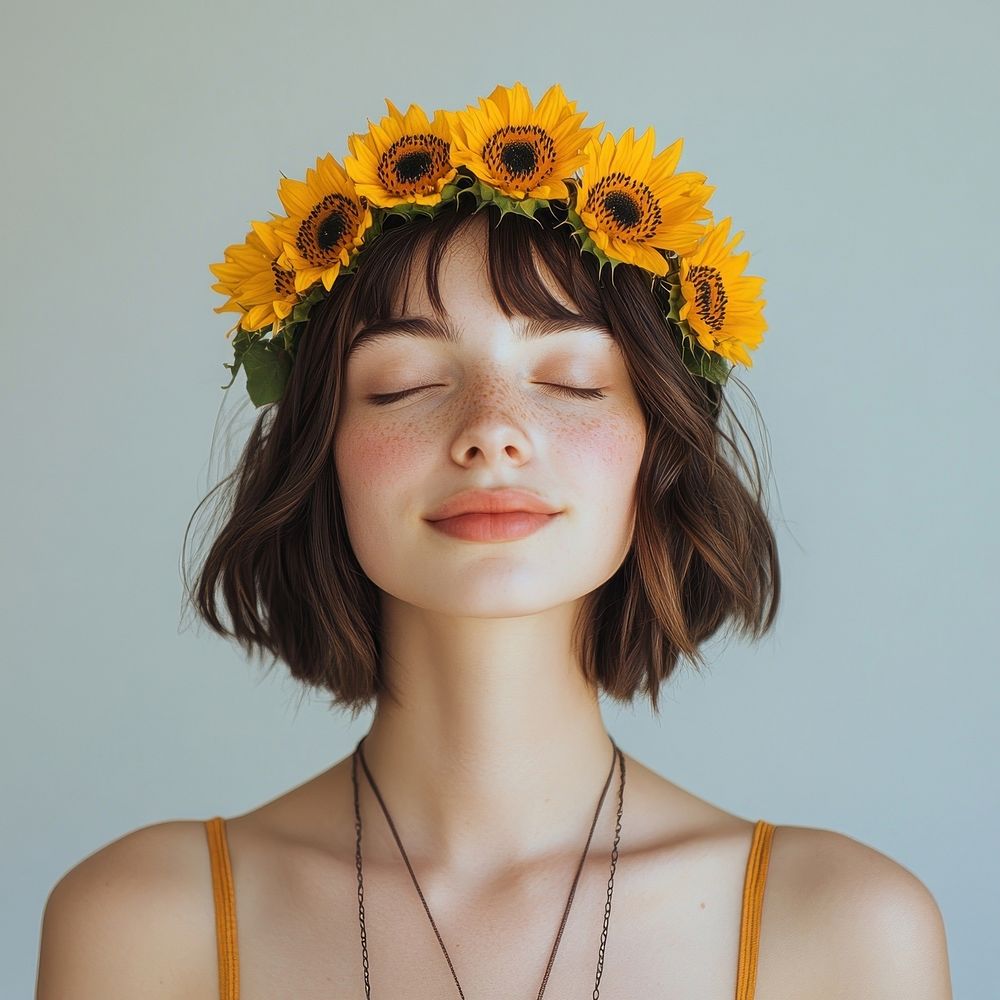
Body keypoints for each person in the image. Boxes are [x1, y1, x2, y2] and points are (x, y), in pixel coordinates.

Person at [35, 90, 952, 999]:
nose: (493, 433)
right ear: (324, 458)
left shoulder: (847, 934)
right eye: (402, 385)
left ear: (656, 452)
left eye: (571, 379)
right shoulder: (143, 925)